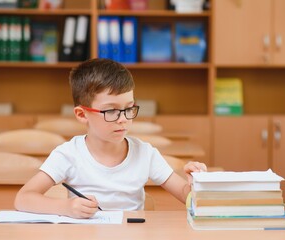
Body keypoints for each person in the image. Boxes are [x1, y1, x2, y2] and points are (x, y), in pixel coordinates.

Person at [14, 58, 207, 218]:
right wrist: (66, 208)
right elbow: (23, 198)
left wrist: (196, 184)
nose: (123, 119)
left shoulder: (145, 153)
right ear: (82, 115)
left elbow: (186, 197)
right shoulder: (69, 154)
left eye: (129, 108)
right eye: (111, 111)